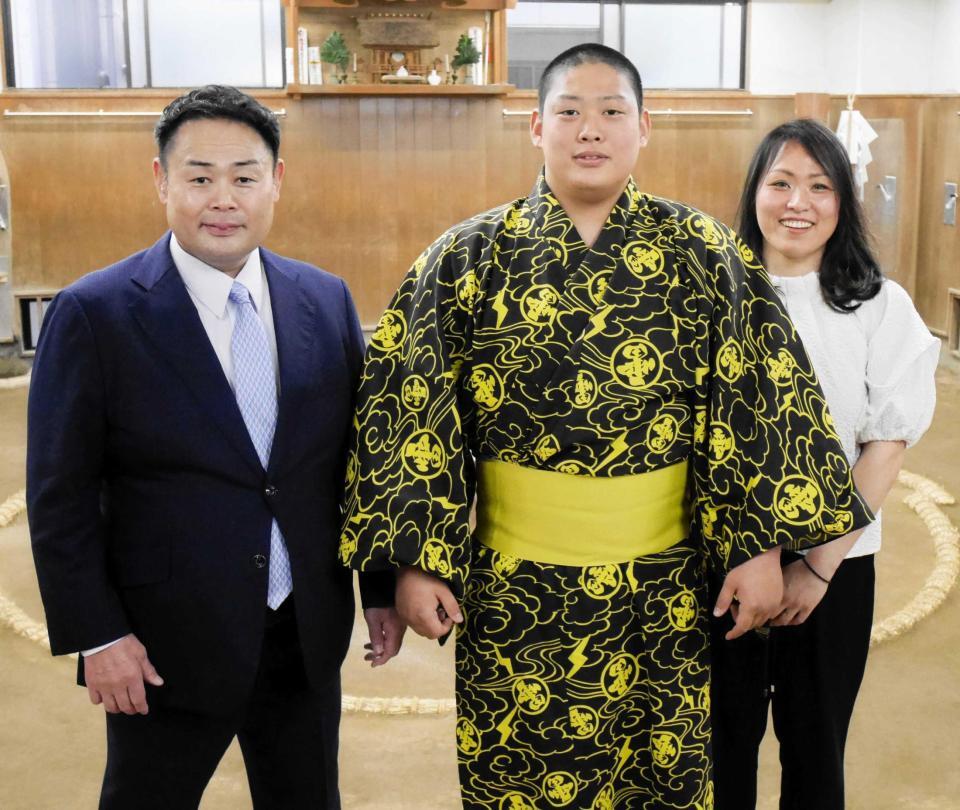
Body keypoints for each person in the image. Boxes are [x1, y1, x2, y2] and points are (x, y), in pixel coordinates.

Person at [341, 46, 872, 809]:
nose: (590, 131)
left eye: (611, 112)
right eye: (570, 112)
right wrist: (411, 563)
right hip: (516, 589)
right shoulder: (462, 259)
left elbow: (760, 400)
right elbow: (406, 414)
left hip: (664, 589)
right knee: (524, 780)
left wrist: (759, 547)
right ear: (535, 127)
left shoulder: (705, 253)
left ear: (643, 128)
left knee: (661, 784)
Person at [26, 85, 403, 810]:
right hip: (163, 643)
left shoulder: (323, 299)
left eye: (243, 176)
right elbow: (60, 495)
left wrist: (377, 589)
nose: (222, 198)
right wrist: (98, 636)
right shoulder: (95, 313)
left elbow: (359, 465)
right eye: (199, 177)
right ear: (162, 181)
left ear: (277, 182)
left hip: (303, 634)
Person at [710, 119, 938, 809]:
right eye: (779, 183)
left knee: (815, 749)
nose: (796, 202)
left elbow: (885, 447)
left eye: (819, 185)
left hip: (836, 566)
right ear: (755, 193)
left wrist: (815, 568)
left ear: (844, 202)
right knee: (721, 748)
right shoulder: (713, 296)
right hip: (722, 565)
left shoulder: (878, 304)